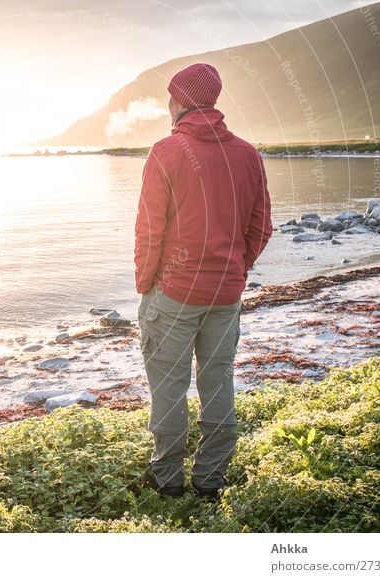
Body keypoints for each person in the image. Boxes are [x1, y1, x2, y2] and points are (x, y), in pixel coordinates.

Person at [134, 62, 273, 499]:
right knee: (218, 380)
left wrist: (146, 285)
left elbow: (150, 231)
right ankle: (210, 479)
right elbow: (261, 226)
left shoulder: (166, 152)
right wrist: (235, 267)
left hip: (174, 293)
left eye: (170, 99)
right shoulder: (247, 154)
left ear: (178, 103)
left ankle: (168, 479)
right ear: (213, 102)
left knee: (170, 387)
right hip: (226, 292)